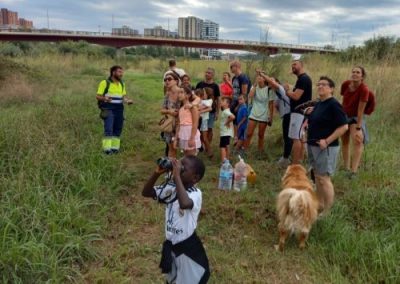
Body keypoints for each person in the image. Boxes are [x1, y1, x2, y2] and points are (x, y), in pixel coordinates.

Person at [142, 156, 210, 284]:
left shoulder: (195, 193)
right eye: (178, 164)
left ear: (195, 178)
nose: (177, 168)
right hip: (172, 245)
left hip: (187, 248)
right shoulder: (171, 188)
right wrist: (157, 173)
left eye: (183, 168)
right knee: (174, 278)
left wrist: (177, 175)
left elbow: (184, 203)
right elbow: (146, 192)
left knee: (190, 279)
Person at [305, 76, 348, 214]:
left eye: (324, 85)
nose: (320, 87)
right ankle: (320, 204)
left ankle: (328, 211)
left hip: (326, 147)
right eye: (319, 84)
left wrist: (327, 140)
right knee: (317, 175)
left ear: (331, 89)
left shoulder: (334, 104)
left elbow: (344, 127)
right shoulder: (319, 103)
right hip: (313, 144)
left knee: (324, 178)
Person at [340, 66, 370, 178]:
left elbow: (361, 110)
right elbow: (343, 99)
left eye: (358, 72)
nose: (355, 74)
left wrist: (358, 128)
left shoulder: (364, 89)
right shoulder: (345, 84)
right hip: (344, 115)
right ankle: (346, 168)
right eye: (353, 72)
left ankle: (354, 171)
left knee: (357, 141)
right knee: (345, 141)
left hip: (355, 117)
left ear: (362, 76)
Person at [96, 65, 133, 154]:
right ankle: (107, 151)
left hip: (119, 109)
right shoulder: (105, 83)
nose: (121, 74)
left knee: (118, 129)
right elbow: (98, 96)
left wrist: (127, 101)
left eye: (122, 72)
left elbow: (123, 96)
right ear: (113, 72)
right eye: (119, 72)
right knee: (109, 129)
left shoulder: (122, 84)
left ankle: (115, 149)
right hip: (108, 108)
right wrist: (105, 99)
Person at [284, 60, 312, 164]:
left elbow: (296, 96)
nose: (293, 67)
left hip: (299, 113)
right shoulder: (302, 79)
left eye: (295, 64)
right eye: (292, 65)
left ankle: (295, 164)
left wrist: (286, 91)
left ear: (301, 65)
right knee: (300, 137)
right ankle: (299, 161)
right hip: (301, 113)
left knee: (296, 138)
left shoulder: (303, 79)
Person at [243, 73, 276, 153]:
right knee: (249, 133)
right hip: (254, 113)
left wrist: (271, 117)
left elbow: (271, 104)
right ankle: (244, 150)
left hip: (264, 114)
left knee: (261, 135)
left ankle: (260, 151)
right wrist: (254, 85)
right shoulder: (255, 87)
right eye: (258, 76)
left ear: (264, 79)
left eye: (261, 76)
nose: (259, 78)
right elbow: (250, 96)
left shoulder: (269, 90)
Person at [196, 67, 221, 145]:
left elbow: (218, 99)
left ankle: (208, 144)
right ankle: (201, 145)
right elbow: (195, 96)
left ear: (213, 75)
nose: (207, 74)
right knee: (200, 128)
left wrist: (217, 112)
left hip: (211, 111)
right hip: (200, 111)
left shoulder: (215, 86)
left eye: (209, 73)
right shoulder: (200, 84)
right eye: (206, 72)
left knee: (209, 129)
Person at [175, 87, 201, 156]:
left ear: (188, 95)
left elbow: (195, 123)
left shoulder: (192, 107)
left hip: (190, 133)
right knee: (186, 156)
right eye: (178, 93)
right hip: (183, 133)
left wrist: (192, 138)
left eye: (181, 92)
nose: (179, 95)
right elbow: (179, 124)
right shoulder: (181, 109)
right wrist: (176, 137)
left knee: (191, 156)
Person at [272, 77, 292, 168]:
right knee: (287, 137)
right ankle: (287, 157)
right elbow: (276, 104)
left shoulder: (281, 91)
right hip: (286, 116)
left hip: (288, 115)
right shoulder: (277, 93)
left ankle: (286, 158)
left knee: (288, 137)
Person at [161, 71, 181, 158]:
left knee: (175, 148)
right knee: (170, 148)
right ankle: (170, 169)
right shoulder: (167, 94)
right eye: (165, 79)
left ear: (176, 81)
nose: (167, 81)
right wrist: (170, 112)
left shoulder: (182, 92)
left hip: (180, 125)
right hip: (169, 125)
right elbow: (162, 110)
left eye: (169, 79)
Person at [230, 60, 250, 140]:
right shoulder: (234, 78)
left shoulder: (243, 77)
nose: (230, 68)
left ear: (237, 66)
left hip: (241, 103)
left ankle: (241, 138)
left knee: (241, 120)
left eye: (232, 67)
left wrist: (239, 105)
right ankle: (236, 136)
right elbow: (234, 90)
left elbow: (244, 93)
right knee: (234, 120)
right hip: (235, 101)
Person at [198, 88, 213, 158]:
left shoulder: (209, 101)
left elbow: (210, 108)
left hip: (204, 121)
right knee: (199, 136)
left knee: (204, 138)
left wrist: (200, 110)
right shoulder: (200, 100)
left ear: (208, 94)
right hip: (198, 120)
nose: (202, 94)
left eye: (204, 93)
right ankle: (202, 149)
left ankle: (210, 151)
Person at [219, 97, 235, 162]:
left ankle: (224, 161)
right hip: (227, 132)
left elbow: (233, 117)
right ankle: (227, 160)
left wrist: (227, 122)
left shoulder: (226, 111)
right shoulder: (226, 111)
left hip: (225, 133)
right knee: (226, 146)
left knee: (222, 147)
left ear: (227, 104)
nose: (221, 102)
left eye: (223, 101)